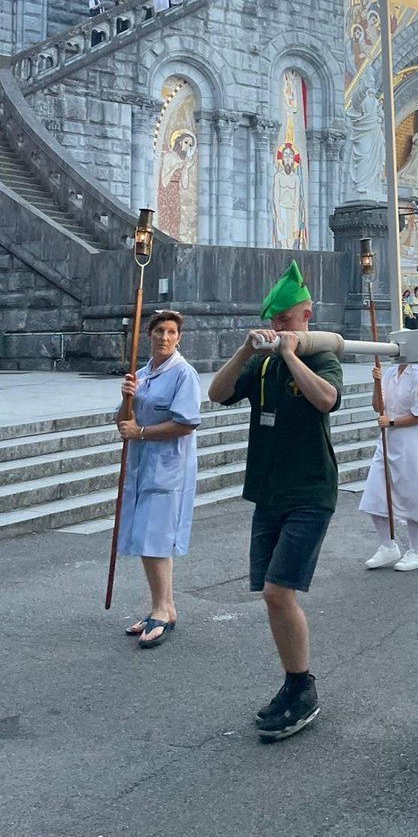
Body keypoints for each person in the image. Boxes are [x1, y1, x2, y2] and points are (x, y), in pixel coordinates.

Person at [207, 261, 342, 742]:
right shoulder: (260, 364)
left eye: (287, 320)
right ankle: (293, 682)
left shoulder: (321, 356)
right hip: (268, 491)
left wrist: (291, 355)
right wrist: (246, 349)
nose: (280, 328)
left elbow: (326, 399)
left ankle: (303, 690)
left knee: (278, 592)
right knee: (271, 594)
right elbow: (218, 392)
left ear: (306, 315)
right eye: (275, 321)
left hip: (309, 490)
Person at [115, 310, 201, 649]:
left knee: (155, 539)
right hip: (141, 466)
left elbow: (186, 423)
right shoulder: (141, 375)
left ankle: (163, 609)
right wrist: (127, 398)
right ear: (148, 335)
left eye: (171, 332)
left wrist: (142, 432)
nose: (165, 337)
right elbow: (123, 424)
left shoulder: (184, 374)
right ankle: (163, 606)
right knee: (148, 538)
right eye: (159, 331)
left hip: (169, 468)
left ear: (179, 337)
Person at [359, 363, 418, 571]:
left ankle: (416, 551)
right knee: (374, 494)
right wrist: (377, 383)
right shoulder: (389, 373)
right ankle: (388, 545)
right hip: (387, 441)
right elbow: (379, 407)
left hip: (411, 443)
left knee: (413, 495)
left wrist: (392, 422)